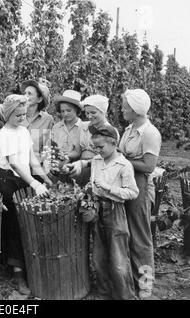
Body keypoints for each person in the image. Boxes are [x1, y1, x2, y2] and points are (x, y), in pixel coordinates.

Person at [0, 94, 53, 295]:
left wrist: (46, 179)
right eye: (18, 115)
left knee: (26, 222)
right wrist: (35, 183)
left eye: (24, 114)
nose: (22, 118)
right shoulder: (5, 134)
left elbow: (31, 160)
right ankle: (18, 274)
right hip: (7, 180)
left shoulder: (24, 132)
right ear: (8, 115)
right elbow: (15, 163)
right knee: (15, 224)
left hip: (23, 179)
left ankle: (28, 265)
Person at [119, 88, 162, 299]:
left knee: (141, 238)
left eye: (125, 107)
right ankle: (130, 281)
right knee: (126, 235)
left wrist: (122, 161)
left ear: (136, 110)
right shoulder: (129, 129)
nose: (122, 109)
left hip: (141, 185)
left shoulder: (150, 133)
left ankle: (145, 285)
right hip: (126, 183)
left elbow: (148, 165)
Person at [87, 123, 139, 300]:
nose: (97, 150)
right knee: (98, 258)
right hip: (97, 209)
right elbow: (93, 182)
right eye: (95, 147)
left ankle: (126, 296)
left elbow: (132, 192)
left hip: (115, 211)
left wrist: (109, 189)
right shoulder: (96, 160)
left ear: (114, 143)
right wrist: (89, 190)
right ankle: (104, 293)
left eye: (100, 147)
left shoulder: (123, 165)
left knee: (119, 260)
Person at [68, 94, 118, 187]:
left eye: (93, 113)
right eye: (87, 113)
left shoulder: (110, 131)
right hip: (80, 167)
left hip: (98, 169)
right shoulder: (83, 126)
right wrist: (65, 156)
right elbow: (77, 151)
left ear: (103, 111)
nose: (90, 116)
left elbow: (107, 159)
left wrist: (83, 164)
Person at [20, 78, 54, 181]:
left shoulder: (47, 120)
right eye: (25, 93)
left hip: (36, 170)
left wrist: (47, 168)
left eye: (30, 94)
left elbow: (47, 146)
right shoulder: (17, 116)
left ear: (39, 99)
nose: (25, 96)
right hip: (17, 168)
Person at [49, 90, 83, 181]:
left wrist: (63, 155)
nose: (65, 114)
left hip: (74, 170)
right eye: (62, 111)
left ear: (76, 109)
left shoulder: (82, 127)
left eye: (68, 110)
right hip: (55, 168)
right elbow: (51, 147)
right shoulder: (56, 127)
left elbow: (77, 152)